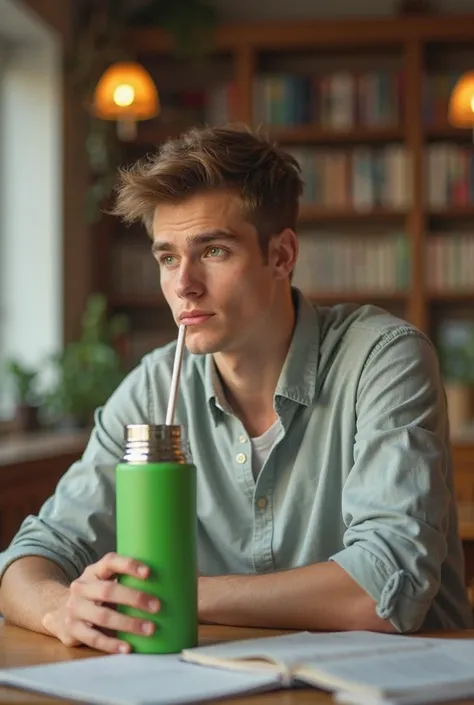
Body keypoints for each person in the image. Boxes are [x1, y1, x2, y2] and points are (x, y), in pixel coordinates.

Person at [0, 125, 471, 653]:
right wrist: (57, 607)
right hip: (221, 687)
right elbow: (32, 555)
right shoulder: (152, 390)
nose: (184, 286)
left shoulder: (383, 359)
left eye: (214, 251)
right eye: (168, 258)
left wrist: (180, 596)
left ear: (281, 255)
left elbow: (388, 587)